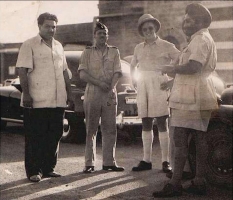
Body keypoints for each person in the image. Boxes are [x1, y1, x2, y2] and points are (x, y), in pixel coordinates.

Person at [153, 3, 218, 197]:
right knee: (200, 141)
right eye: (185, 19)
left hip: (190, 99)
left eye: (189, 20)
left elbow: (194, 67)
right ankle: (199, 181)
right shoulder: (202, 39)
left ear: (200, 21)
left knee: (180, 140)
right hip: (200, 94)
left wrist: (170, 69)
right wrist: (173, 82)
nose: (185, 23)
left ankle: (175, 184)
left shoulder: (200, 40)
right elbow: (195, 71)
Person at [16, 12, 73, 182]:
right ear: (39, 26)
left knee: (55, 134)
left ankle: (49, 168)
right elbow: (22, 71)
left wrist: (69, 94)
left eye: (54, 27)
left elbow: (65, 72)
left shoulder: (59, 46)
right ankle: (34, 171)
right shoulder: (29, 45)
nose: (51, 30)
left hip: (57, 100)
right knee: (36, 136)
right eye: (47, 26)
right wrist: (26, 94)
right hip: (36, 99)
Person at [130, 14, 180, 173]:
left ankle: (166, 161)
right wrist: (134, 81)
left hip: (160, 83)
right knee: (145, 121)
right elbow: (132, 65)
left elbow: (181, 60)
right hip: (143, 83)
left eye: (150, 28)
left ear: (155, 29)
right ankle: (147, 160)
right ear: (141, 31)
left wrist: (173, 80)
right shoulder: (138, 47)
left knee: (162, 122)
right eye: (144, 29)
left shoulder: (167, 45)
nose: (148, 31)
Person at [78, 22, 124, 173]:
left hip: (109, 93)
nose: (102, 36)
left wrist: (110, 87)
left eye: (104, 34)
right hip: (93, 92)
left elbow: (118, 72)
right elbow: (83, 74)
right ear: (94, 36)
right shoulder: (88, 52)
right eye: (99, 34)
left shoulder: (114, 52)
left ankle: (109, 162)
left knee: (110, 128)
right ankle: (89, 163)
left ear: (107, 36)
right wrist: (99, 83)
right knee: (91, 129)